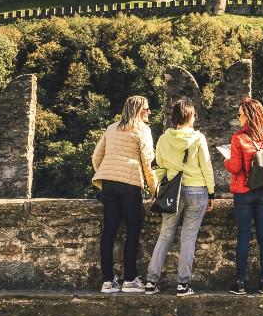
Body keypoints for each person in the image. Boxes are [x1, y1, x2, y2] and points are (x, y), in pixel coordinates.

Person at [144, 98, 215, 297]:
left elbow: (158, 167)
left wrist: (159, 190)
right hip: (197, 190)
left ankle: (151, 282)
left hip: (172, 192)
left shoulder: (164, 139)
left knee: (165, 235)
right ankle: (183, 285)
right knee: (188, 238)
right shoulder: (198, 138)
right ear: (190, 116)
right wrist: (211, 193)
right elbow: (206, 167)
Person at [91, 94, 157, 294]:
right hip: (130, 182)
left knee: (109, 230)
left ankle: (108, 281)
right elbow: (148, 163)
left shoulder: (112, 128)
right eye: (146, 109)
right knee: (134, 228)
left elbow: (96, 156)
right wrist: (155, 191)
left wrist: (104, 173)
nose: (149, 112)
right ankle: (129, 279)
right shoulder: (142, 130)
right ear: (138, 110)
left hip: (109, 183)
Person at [224, 97, 263, 295]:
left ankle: (241, 282)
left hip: (243, 192)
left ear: (248, 115)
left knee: (243, 236)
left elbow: (236, 167)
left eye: (240, 114)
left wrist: (227, 160)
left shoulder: (238, 138)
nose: (239, 118)